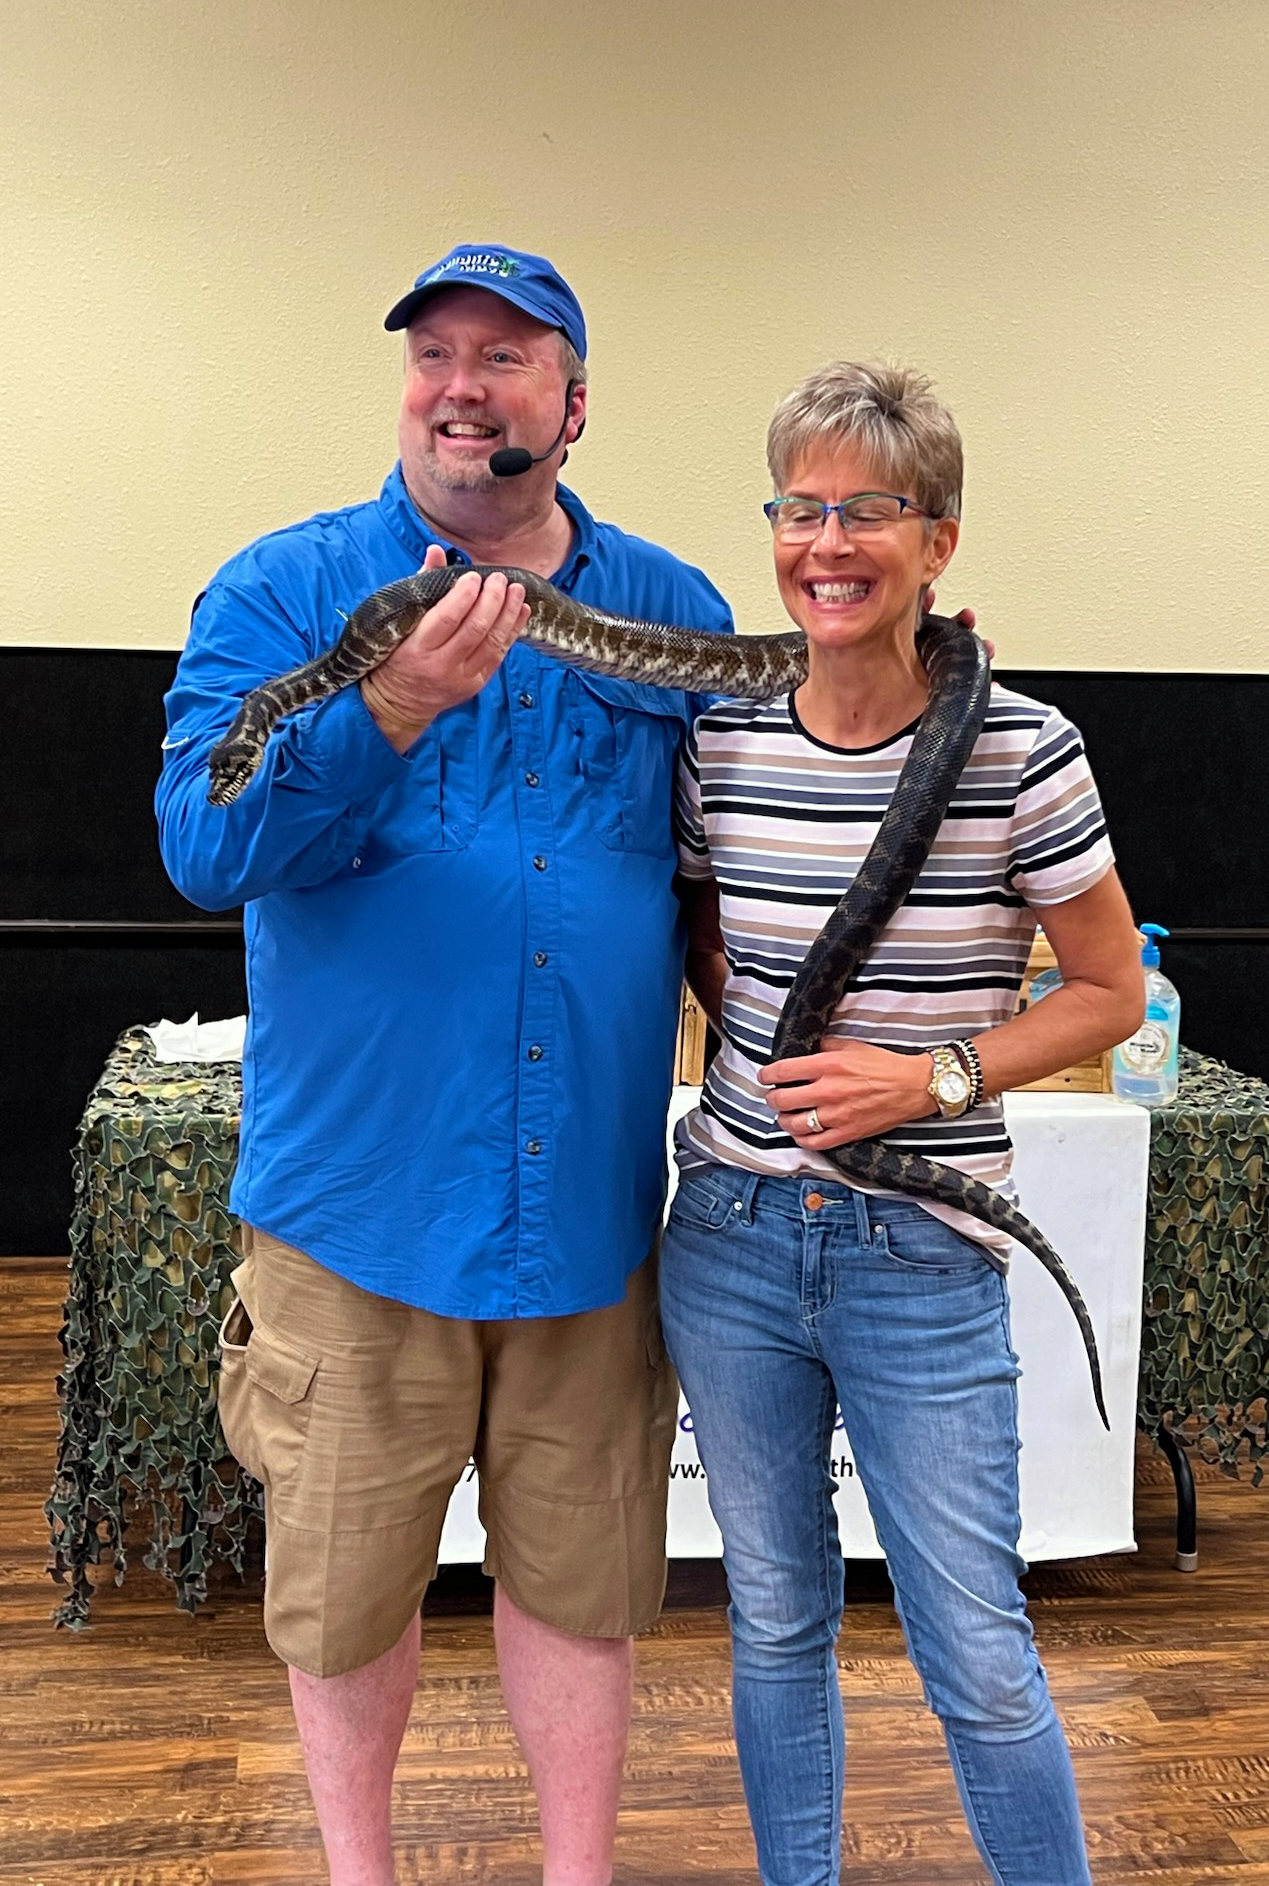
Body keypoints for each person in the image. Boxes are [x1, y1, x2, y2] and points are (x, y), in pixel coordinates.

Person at [155, 243, 735, 1886]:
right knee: (345, 1592)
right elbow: (202, 842)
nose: (461, 384)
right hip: (360, 1210)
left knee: (586, 1581)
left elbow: (724, 872)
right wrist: (391, 703)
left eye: (507, 355)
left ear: (572, 402)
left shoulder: (672, 613)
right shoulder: (285, 589)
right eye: (433, 355)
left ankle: (579, 1873)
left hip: (588, 1208)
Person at [661, 360, 1145, 1886]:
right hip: (730, 1236)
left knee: (978, 1646)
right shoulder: (720, 732)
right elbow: (703, 934)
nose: (828, 542)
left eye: (867, 509)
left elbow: (1109, 991)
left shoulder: (1021, 747)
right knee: (775, 1615)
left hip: (918, 1250)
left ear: (936, 541)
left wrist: (930, 1078)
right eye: (799, 509)